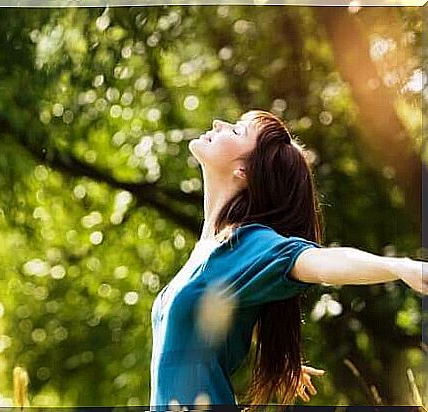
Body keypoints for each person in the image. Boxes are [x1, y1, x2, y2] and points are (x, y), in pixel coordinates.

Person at [149, 109, 425, 411]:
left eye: (238, 131)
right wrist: (274, 354)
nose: (218, 123)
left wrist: (399, 267)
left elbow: (319, 261)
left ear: (243, 172)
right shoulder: (211, 250)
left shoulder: (248, 242)